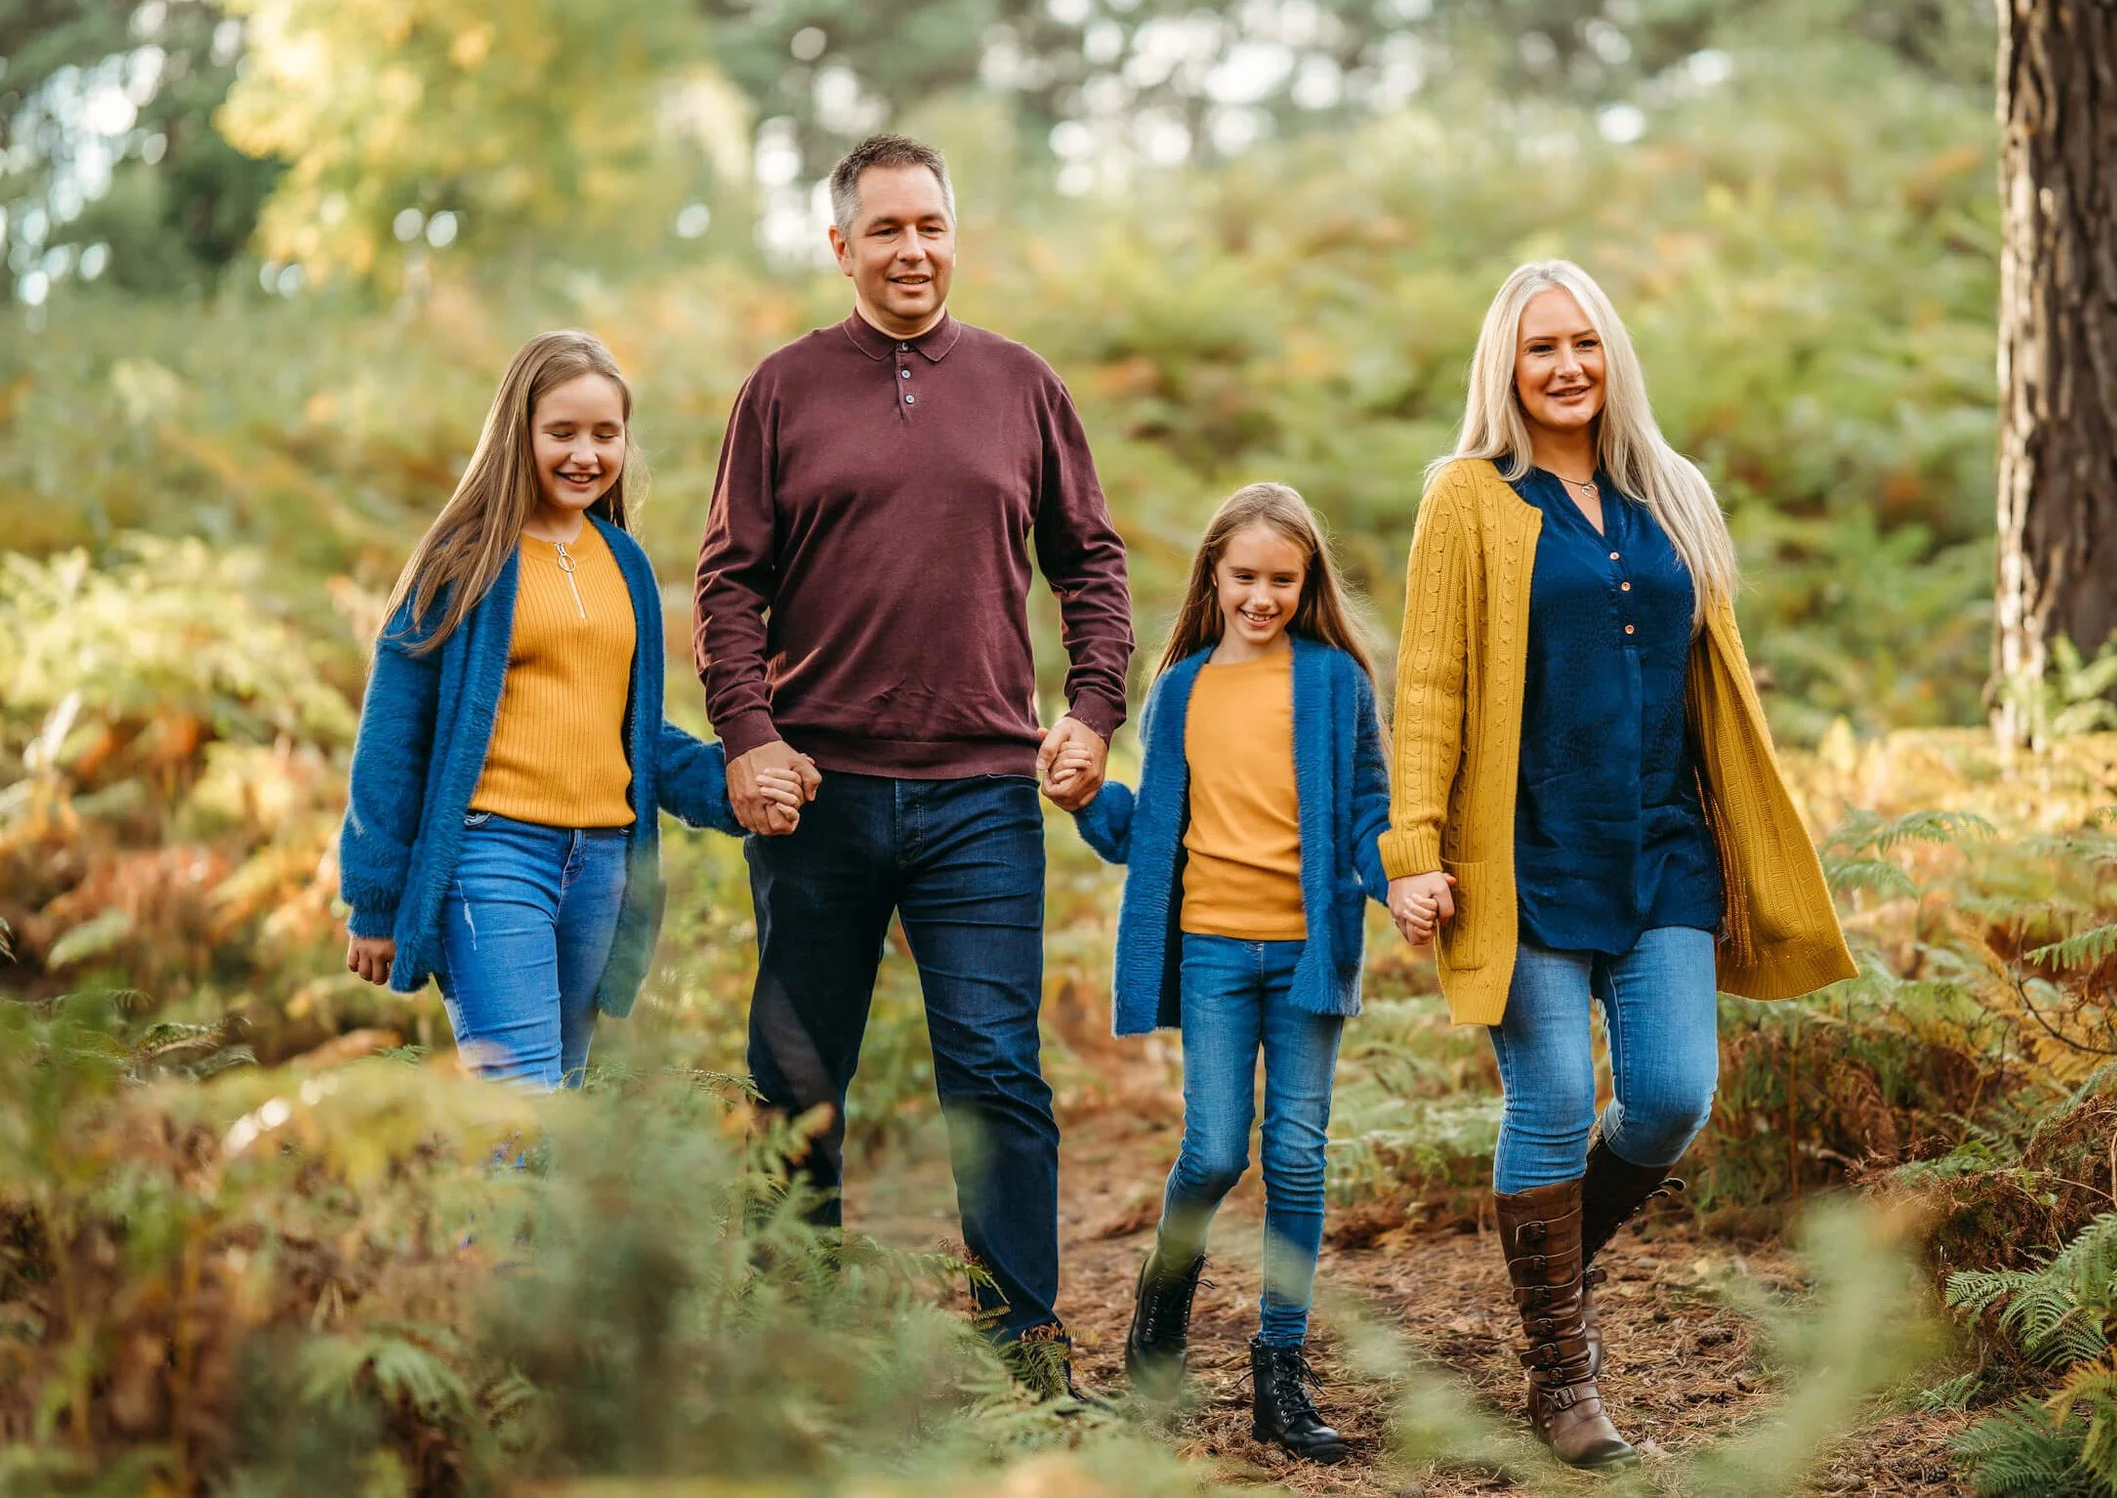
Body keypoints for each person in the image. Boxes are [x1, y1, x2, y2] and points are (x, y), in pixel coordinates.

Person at [1378, 260, 1855, 1467]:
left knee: (1670, 1097)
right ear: (1507, 365)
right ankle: (1562, 1375)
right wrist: (1410, 852)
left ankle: (1542, 1261)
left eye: (1584, 342)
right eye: (1541, 347)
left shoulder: (1672, 493)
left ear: (1612, 355)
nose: (1566, 366)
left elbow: (1712, 675)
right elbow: (1428, 686)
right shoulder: (1468, 498)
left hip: (1662, 843)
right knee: (1544, 1103)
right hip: (1525, 850)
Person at [694, 133, 1134, 1378]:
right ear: (840, 246)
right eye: (884, 229)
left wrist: (1092, 708)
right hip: (817, 794)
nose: (912, 249)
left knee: (995, 1071)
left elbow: (1091, 560)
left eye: (930, 225)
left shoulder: (1020, 384)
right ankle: (799, 1348)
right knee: (794, 1078)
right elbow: (729, 579)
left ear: (955, 234)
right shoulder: (779, 391)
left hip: (982, 796)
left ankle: (1023, 1346)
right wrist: (749, 734)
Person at [338, 331, 809, 1087]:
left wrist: (733, 788)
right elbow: (394, 733)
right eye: (561, 432)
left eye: (605, 433)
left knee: (559, 1099)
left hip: (602, 867)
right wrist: (374, 897)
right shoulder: (464, 561)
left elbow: (635, 729)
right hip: (493, 855)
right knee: (522, 1110)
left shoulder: (623, 561)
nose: (584, 454)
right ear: (517, 434)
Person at [1061, 484, 1386, 1461]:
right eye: (1244, 575)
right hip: (1208, 950)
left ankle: (1277, 1372)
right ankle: (1155, 1328)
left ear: (1306, 582)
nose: (1262, 595)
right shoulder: (1182, 690)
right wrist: (1085, 798)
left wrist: (1403, 878)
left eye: (1282, 579)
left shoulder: (1334, 682)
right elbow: (1147, 834)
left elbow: (1368, 812)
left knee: (1295, 1154)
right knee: (1212, 1151)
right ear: (1212, 574)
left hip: (1305, 953)